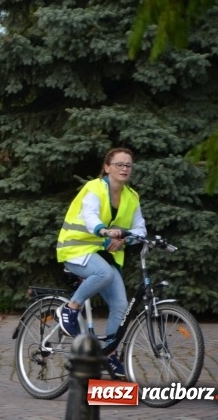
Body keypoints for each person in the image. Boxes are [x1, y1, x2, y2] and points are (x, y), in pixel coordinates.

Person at [55, 147, 147, 378]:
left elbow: (139, 228)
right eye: (119, 164)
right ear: (107, 167)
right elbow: (90, 217)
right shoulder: (94, 188)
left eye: (128, 165)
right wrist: (103, 231)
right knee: (103, 274)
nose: (125, 168)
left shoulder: (131, 196)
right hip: (76, 249)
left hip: (103, 254)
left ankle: (110, 353)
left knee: (120, 306)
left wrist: (124, 239)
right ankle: (69, 308)